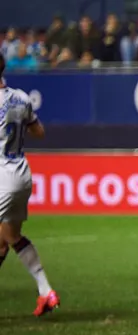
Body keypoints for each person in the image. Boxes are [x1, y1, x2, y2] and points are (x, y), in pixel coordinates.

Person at [0, 54, 60, 316]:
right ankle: (46, 291)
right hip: (21, 174)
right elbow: (39, 131)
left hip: (2, 176)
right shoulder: (21, 98)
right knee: (9, 238)